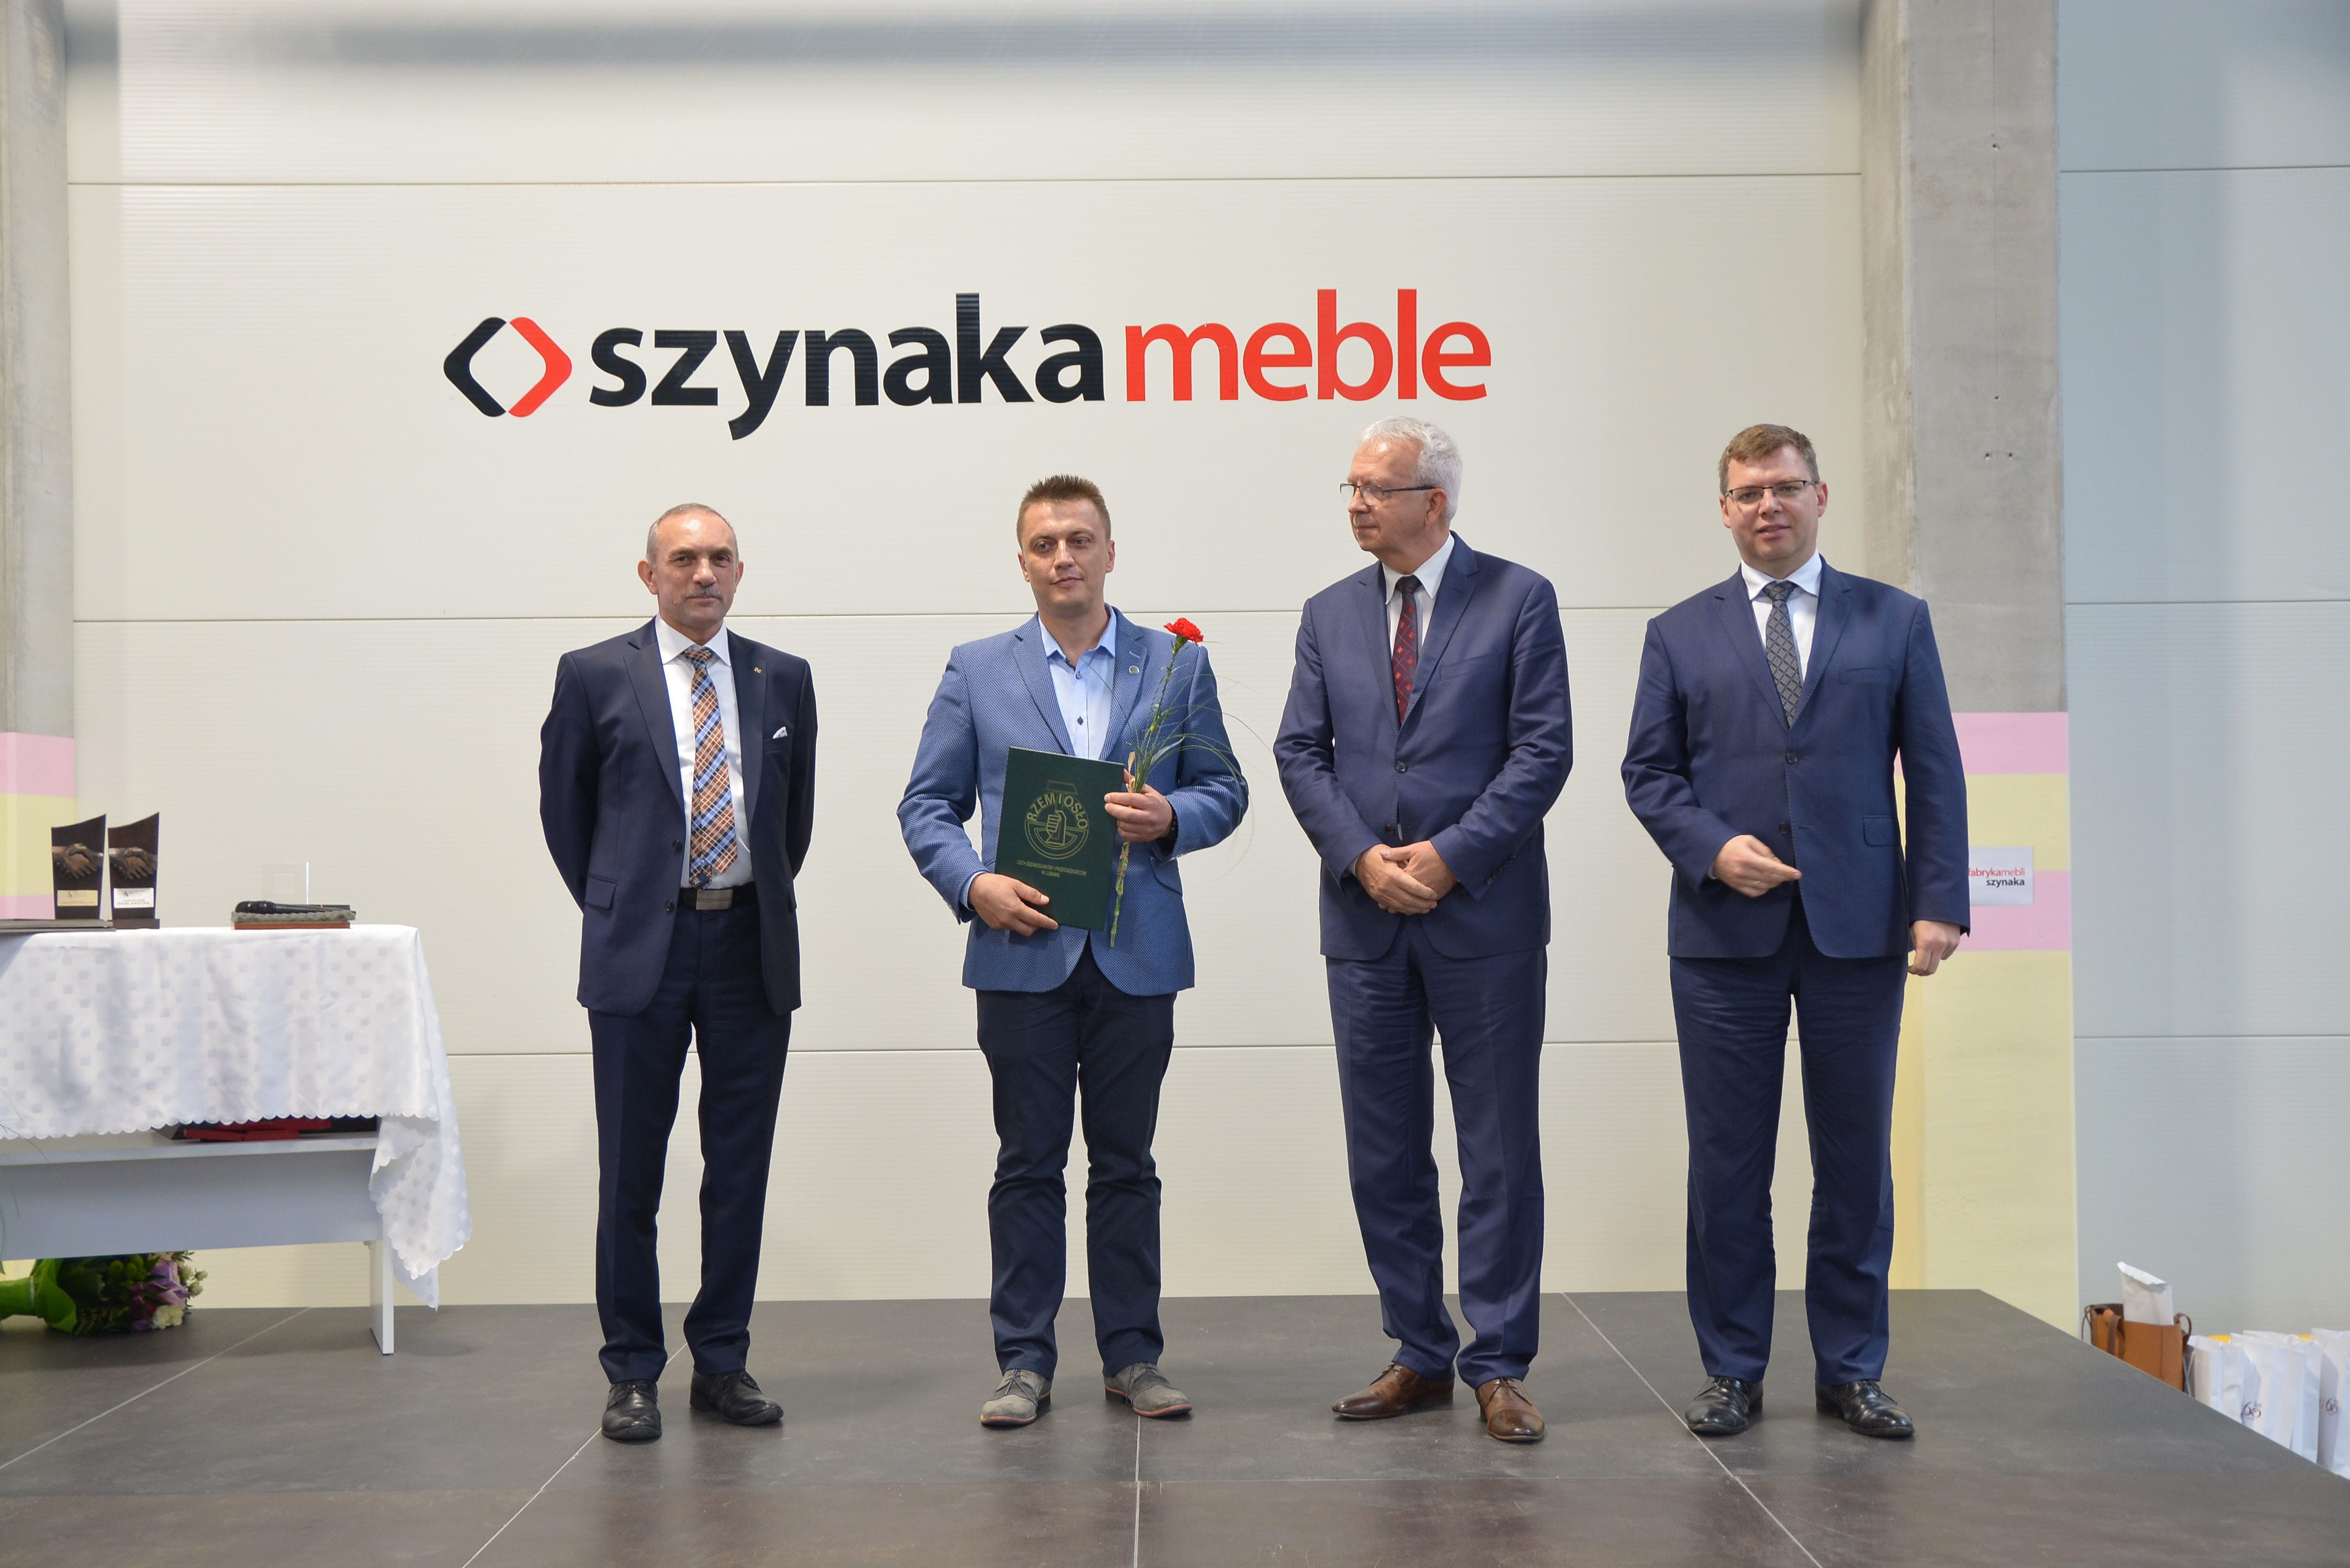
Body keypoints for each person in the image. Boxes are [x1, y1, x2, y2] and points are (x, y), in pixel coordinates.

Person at [1621, 424, 1967, 1441]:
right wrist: (1711, 848)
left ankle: (1851, 1370)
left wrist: (1939, 900)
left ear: (1821, 496)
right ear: (1724, 510)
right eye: (1747, 492)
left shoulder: (1894, 619)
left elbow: (1935, 769)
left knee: (1854, 1162)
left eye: (1784, 487)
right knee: (1728, 1164)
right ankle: (1731, 1369)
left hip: (1859, 929)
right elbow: (1648, 773)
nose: (1767, 505)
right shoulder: (1677, 633)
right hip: (1721, 935)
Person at [898, 475, 1247, 1430]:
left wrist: (1173, 815)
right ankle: (1023, 1362)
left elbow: (1225, 788)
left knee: (1127, 1164)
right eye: (1046, 544)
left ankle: (1134, 1357)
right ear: (1023, 562)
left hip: (1138, 950)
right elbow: (926, 804)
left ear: (1109, 552)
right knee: (1027, 1164)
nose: (1065, 558)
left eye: (1080, 540)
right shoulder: (978, 668)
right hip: (1023, 951)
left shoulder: (1176, 665)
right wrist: (973, 884)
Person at [1273, 417, 1573, 1444]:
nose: (1356, 504)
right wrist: (1363, 857)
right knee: (1385, 1152)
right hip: (1365, 923)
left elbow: (1542, 752)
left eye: (1376, 488)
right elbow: (1299, 752)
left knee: (1497, 1152)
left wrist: (1448, 857)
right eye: (1351, 487)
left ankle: (1499, 1364)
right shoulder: (1328, 612)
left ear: (1434, 502)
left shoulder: (1519, 599)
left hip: (1483, 917)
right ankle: (1417, 1351)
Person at [538, 503, 817, 1444]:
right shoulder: (594, 675)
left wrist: (736, 892)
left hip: (749, 948)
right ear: (649, 574)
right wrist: (624, 903)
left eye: (720, 558)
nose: (704, 574)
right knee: (632, 1169)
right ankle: (632, 1370)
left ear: (740, 571)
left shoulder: (784, 677)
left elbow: (792, 824)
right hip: (639, 955)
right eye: (685, 559)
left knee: (739, 1169)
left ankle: (723, 1361)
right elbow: (567, 815)